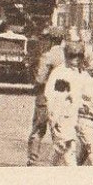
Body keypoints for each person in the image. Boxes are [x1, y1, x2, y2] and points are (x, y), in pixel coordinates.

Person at [26, 25, 69, 166]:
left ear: (50, 40)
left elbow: (39, 78)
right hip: (65, 99)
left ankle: (33, 159)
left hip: (45, 97)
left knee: (38, 129)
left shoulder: (47, 56)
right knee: (61, 131)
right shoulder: (68, 57)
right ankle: (60, 160)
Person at [44, 42, 86, 165]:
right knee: (69, 148)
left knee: (61, 147)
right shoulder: (61, 73)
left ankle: (48, 168)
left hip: (74, 116)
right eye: (72, 55)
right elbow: (55, 98)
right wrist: (54, 119)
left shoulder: (79, 72)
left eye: (79, 55)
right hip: (62, 116)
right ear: (67, 55)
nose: (76, 59)